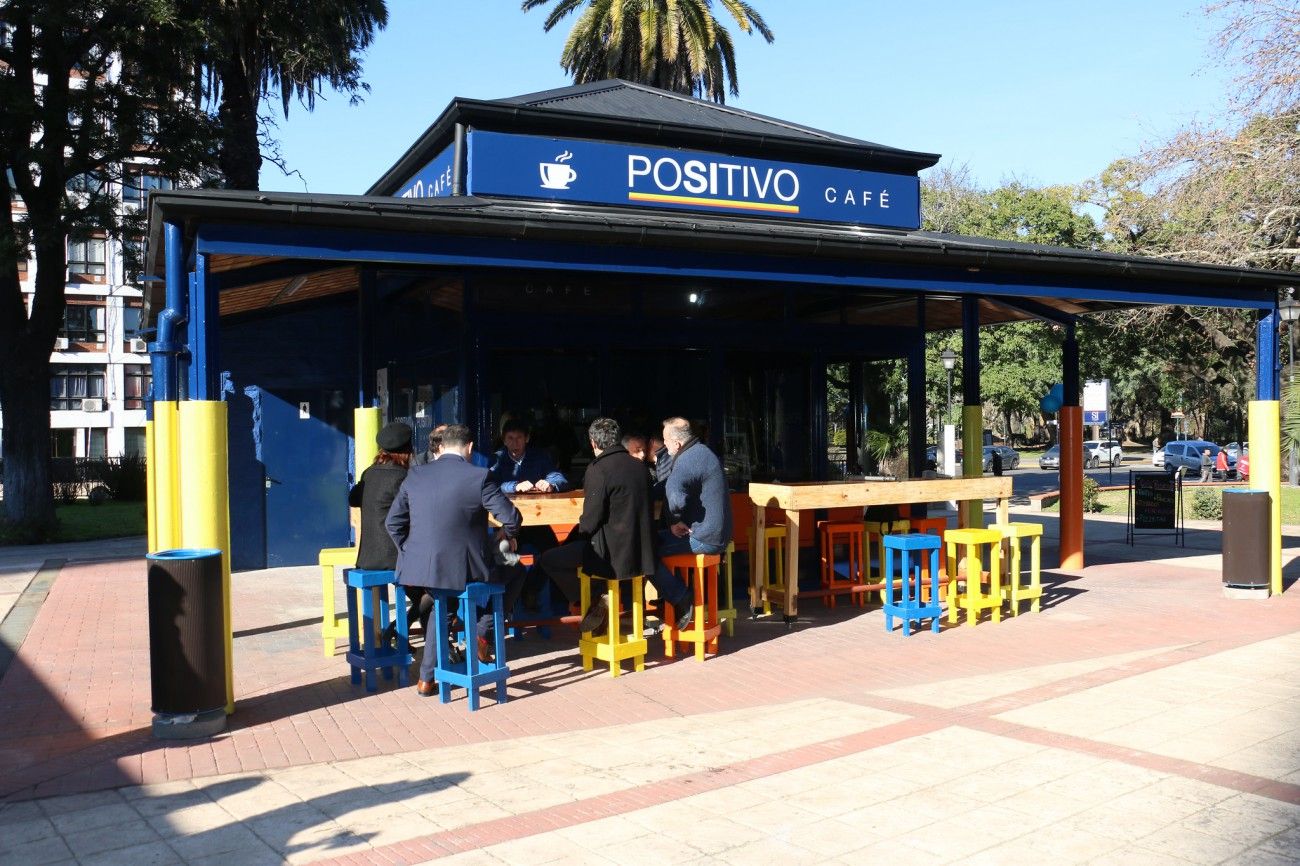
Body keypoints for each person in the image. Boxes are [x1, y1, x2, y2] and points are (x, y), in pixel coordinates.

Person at [385, 424, 522, 696]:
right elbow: (512, 518)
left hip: (424, 568)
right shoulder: (480, 476)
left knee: (442, 608)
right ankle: (483, 633)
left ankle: (426, 678)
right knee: (516, 570)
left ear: (441, 446)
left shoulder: (415, 474)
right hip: (466, 566)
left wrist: (412, 551)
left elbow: (393, 523)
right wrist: (508, 536)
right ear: (469, 447)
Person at [538, 418, 657, 632]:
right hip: (642, 553)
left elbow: (592, 519)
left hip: (609, 556)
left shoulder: (598, 469)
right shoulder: (640, 467)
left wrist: (579, 536)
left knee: (550, 559)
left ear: (593, 443)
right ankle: (598, 598)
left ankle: (592, 600)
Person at [650, 416, 733, 632]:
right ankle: (675, 597)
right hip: (717, 535)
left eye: (666, 441)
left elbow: (675, 496)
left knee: (643, 552)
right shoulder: (702, 453)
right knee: (655, 545)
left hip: (704, 538)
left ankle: (680, 597)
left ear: (677, 443)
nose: (664, 445)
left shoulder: (685, 460)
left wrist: (676, 518)